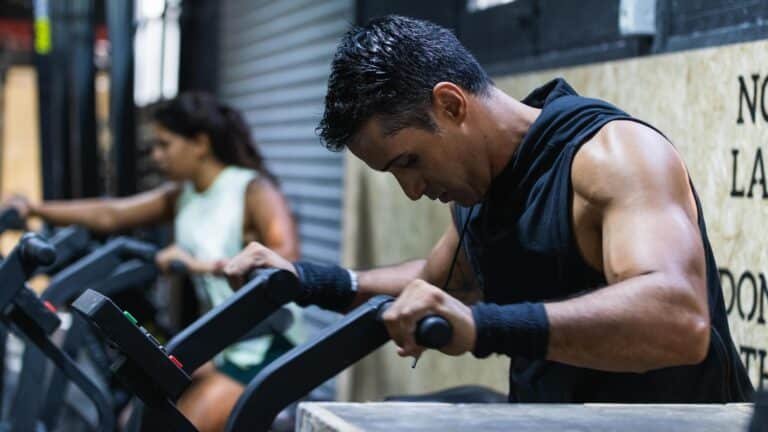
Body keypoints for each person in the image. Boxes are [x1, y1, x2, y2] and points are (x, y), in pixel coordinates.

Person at [224, 15, 753, 403]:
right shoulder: (486, 193)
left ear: (451, 104)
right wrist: (303, 279)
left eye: (409, 161)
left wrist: (481, 329)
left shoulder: (609, 156)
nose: (412, 189)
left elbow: (678, 320)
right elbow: (440, 287)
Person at [3, 92, 302, 431]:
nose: (157, 156)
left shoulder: (253, 189)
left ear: (199, 143)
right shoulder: (185, 194)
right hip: (225, 344)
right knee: (135, 418)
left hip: (264, 345)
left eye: (165, 144)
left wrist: (196, 265)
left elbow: (286, 265)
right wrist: (34, 208)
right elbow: (111, 213)